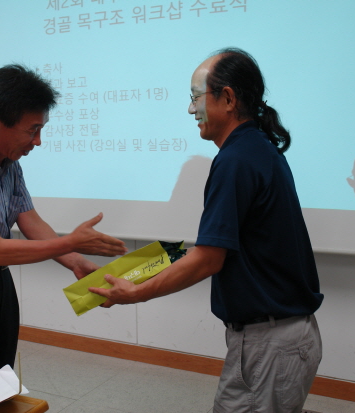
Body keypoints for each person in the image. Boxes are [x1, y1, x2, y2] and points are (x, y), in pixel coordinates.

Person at [90, 48, 323, 413]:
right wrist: (134, 271)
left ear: (228, 99)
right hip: (279, 340)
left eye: (195, 97)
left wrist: (134, 293)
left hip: (269, 345)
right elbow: (225, 249)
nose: (190, 109)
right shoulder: (256, 148)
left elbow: (209, 259)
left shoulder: (235, 159)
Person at [0, 64, 127, 378]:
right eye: (32, 130)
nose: (38, 141)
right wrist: (71, 241)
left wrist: (75, 261)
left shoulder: (9, 161)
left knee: (0, 377)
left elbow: (31, 222)